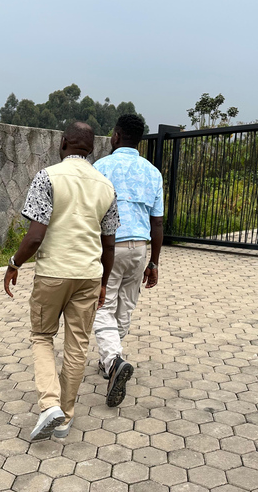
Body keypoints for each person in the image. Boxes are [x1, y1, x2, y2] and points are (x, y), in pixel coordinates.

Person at [4, 121, 119, 441]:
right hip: (89, 276)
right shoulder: (106, 185)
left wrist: (14, 263)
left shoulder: (48, 177)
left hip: (53, 274)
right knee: (77, 346)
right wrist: (104, 282)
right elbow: (109, 244)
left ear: (63, 142)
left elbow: (35, 236)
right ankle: (65, 418)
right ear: (92, 148)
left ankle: (49, 404)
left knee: (42, 336)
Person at [92, 114, 164, 408]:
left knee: (101, 305)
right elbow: (157, 222)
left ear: (117, 136)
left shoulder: (101, 167)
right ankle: (110, 358)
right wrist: (154, 263)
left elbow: (90, 212)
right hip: (140, 248)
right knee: (125, 305)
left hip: (110, 246)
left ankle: (112, 360)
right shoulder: (153, 173)